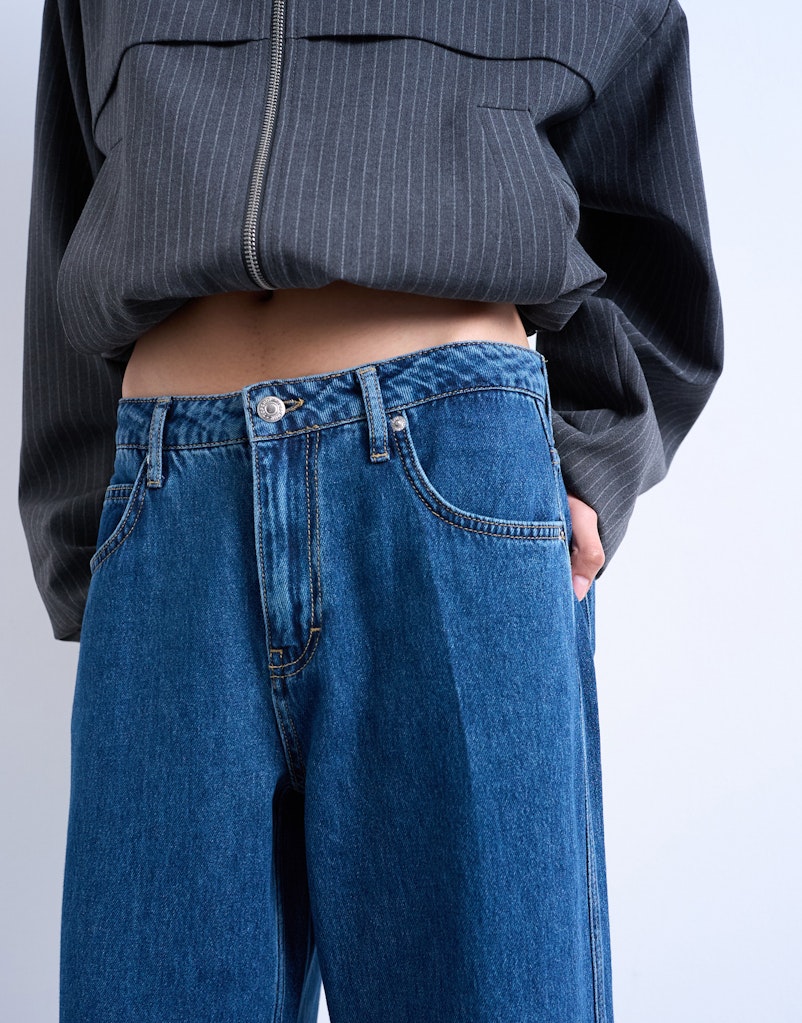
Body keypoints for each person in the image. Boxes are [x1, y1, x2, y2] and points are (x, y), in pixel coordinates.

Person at [18, 1, 723, 1020]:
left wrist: (593, 457)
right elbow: (69, 208)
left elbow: (653, 238)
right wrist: (92, 536)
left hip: (448, 485)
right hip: (169, 502)